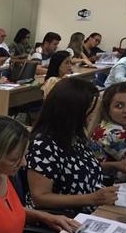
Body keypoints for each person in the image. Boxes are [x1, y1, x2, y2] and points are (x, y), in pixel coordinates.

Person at [26, 77, 119, 217]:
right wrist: (92, 198)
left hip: (88, 211)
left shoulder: (75, 136)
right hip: (60, 219)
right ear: (74, 112)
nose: (93, 116)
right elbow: (40, 197)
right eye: (90, 111)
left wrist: (114, 166)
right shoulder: (43, 145)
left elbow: (78, 168)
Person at [90, 82, 126, 184]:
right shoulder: (112, 133)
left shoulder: (116, 124)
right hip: (111, 189)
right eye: (119, 106)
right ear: (107, 110)